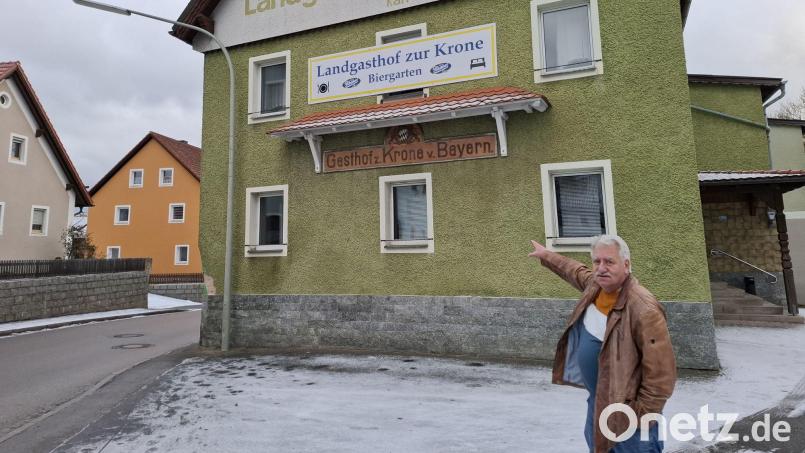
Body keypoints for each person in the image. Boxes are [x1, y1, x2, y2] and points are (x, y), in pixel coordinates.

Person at [528, 235, 676, 453]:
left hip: (627, 415)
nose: (601, 268)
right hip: (597, 404)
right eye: (597, 262)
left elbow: (662, 374)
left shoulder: (644, 309)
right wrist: (547, 256)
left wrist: (640, 415)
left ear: (626, 265)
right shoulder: (594, 287)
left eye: (609, 261)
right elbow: (574, 269)